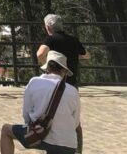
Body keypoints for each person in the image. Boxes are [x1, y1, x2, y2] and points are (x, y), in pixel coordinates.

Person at [0, 50, 80, 154]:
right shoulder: (73, 91)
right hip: (68, 143)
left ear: (47, 68)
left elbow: (26, 114)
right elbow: (76, 122)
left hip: (40, 136)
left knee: (6, 130)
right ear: (64, 72)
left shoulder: (34, 82)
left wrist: (33, 129)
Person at [37, 14, 88, 152]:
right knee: (75, 120)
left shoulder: (51, 39)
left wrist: (47, 67)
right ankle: (78, 150)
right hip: (71, 83)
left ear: (48, 27)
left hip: (54, 84)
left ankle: (50, 147)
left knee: (51, 116)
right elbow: (86, 55)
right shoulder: (73, 40)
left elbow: (40, 54)